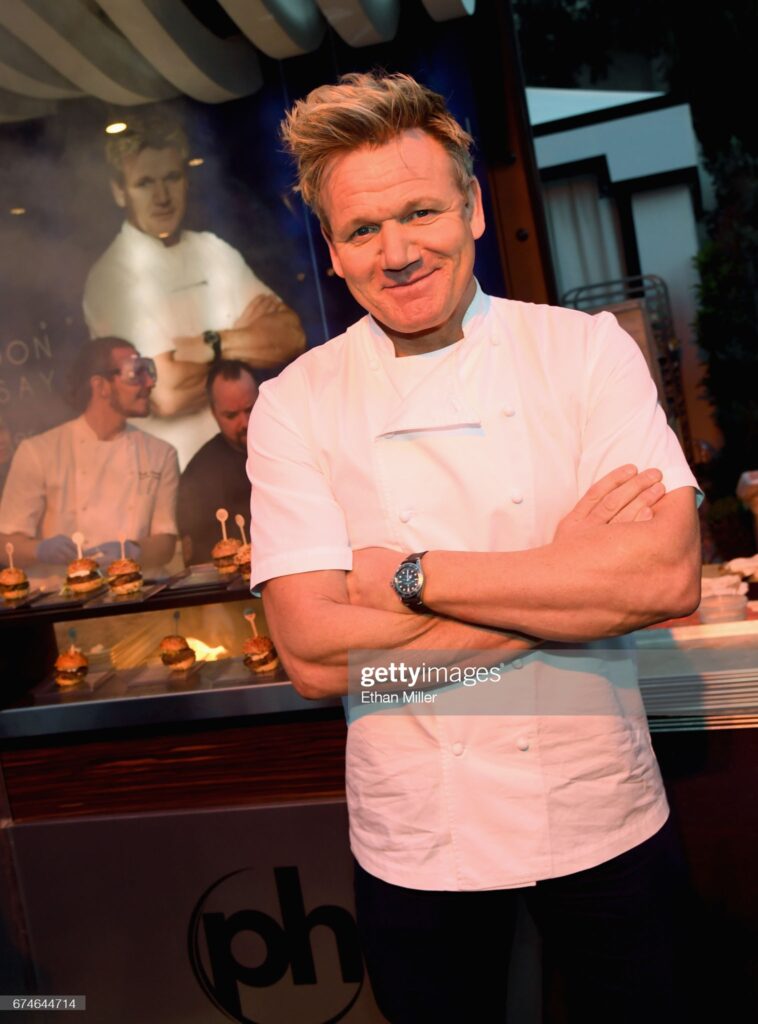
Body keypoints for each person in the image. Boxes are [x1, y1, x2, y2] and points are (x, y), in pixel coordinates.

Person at [247, 73, 702, 1023]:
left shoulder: (584, 352)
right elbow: (314, 656)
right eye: (363, 229)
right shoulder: (296, 403)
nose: (398, 252)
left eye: (421, 212)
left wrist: (411, 579)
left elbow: (664, 576)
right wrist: (569, 588)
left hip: (600, 811)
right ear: (332, 251)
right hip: (419, 836)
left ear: (474, 210)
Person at [82, 108, 305, 468]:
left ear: (186, 180)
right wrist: (243, 345)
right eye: (144, 183)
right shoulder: (112, 276)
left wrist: (206, 345)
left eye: (171, 177)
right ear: (120, 192)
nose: (162, 197)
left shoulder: (212, 248)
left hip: (251, 458)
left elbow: (291, 337)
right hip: (176, 473)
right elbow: (166, 392)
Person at [0, 337, 178, 576]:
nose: (149, 382)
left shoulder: (161, 453)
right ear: (101, 385)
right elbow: (6, 546)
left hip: (139, 591)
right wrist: (40, 550)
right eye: (136, 373)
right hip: (63, 593)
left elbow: (166, 544)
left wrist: (132, 550)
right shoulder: (38, 452)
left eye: (149, 371)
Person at [177, 359, 258, 565]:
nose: (245, 423)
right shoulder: (199, 475)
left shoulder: (293, 444)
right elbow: (200, 561)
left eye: (250, 409)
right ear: (214, 414)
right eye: (231, 415)